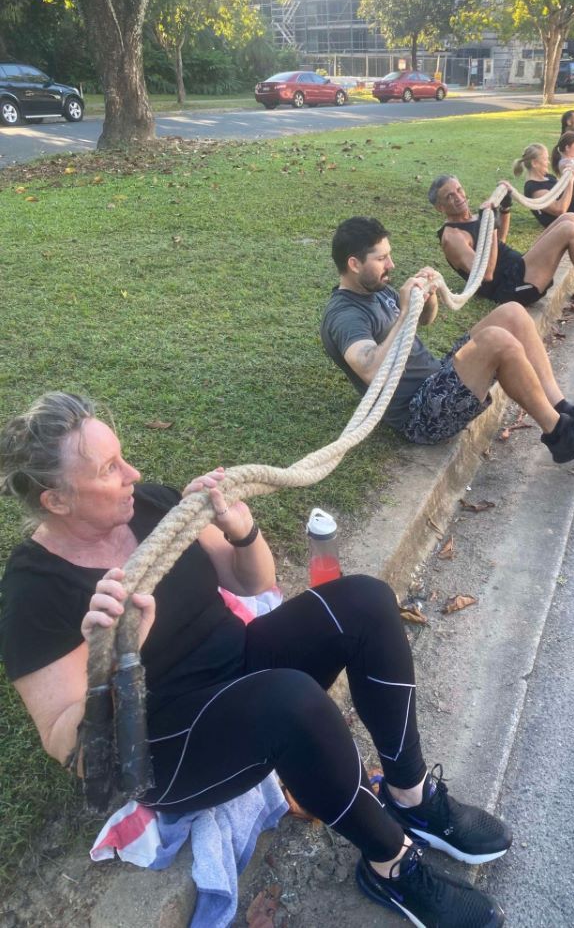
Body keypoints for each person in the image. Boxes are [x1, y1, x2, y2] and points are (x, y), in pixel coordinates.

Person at [0, 392, 511, 928]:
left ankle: (409, 794)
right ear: (55, 500)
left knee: (364, 600)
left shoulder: (150, 505)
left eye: (122, 456)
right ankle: (391, 866)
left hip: (238, 667)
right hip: (168, 744)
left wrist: (241, 529)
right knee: (287, 701)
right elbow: (68, 747)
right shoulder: (35, 591)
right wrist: (119, 657)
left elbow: (254, 581)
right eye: (109, 469)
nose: (134, 472)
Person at [321, 216, 574, 465]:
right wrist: (403, 313)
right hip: (420, 414)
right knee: (495, 340)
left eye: (389, 255)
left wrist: (427, 297)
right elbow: (369, 368)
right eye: (382, 258)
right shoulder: (345, 316)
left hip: (436, 379)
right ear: (354, 264)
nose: (392, 265)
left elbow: (425, 321)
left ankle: (564, 410)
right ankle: (560, 435)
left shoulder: (375, 288)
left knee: (512, 314)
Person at [428, 173, 574, 315]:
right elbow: (486, 275)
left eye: (459, 190)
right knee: (568, 231)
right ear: (440, 208)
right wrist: (491, 224)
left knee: (570, 219)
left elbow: (499, 243)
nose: (458, 197)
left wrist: (505, 210)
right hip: (512, 287)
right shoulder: (452, 237)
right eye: (449, 197)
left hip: (519, 268)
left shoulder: (471, 218)